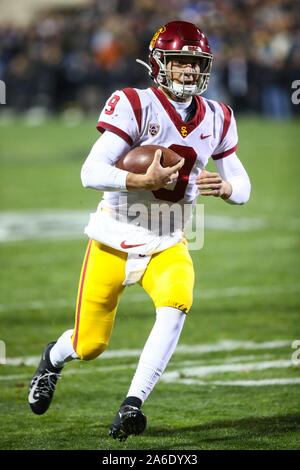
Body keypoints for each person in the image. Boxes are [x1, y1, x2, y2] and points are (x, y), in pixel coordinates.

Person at [28, 21, 251, 441]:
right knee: (90, 345)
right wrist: (137, 181)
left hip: (168, 239)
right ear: (158, 64)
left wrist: (226, 187)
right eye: (180, 61)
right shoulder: (133, 104)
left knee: (177, 301)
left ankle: (132, 404)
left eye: (195, 63)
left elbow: (243, 187)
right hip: (114, 235)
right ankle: (54, 359)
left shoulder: (220, 116)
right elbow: (90, 171)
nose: (188, 71)